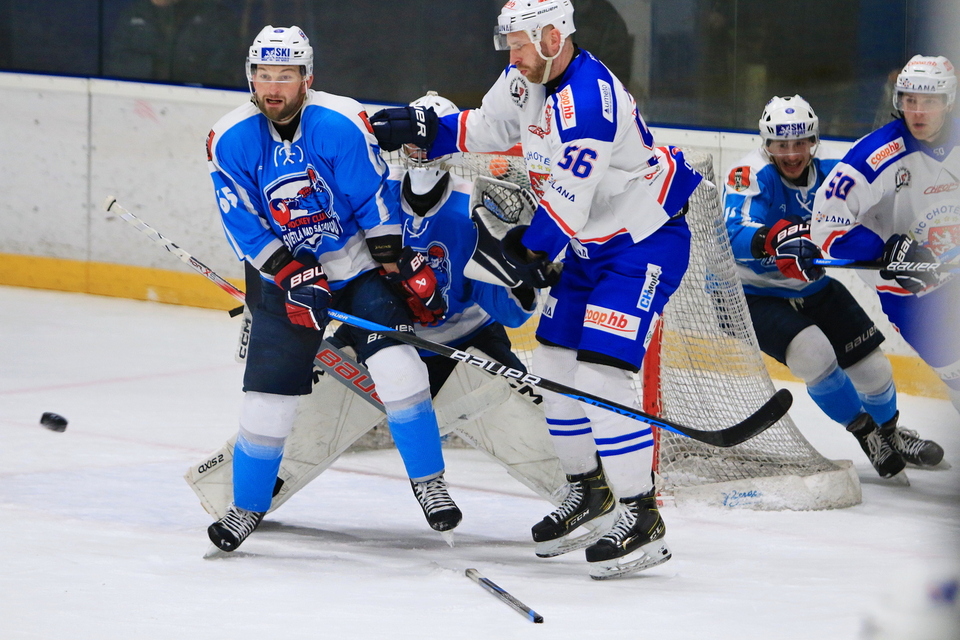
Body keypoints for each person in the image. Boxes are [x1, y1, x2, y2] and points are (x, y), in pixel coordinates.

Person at [370, 0, 702, 579]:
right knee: (552, 365)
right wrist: (427, 130)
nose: (513, 55)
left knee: (600, 373)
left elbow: (566, 206)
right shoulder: (525, 78)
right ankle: (589, 490)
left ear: (554, 36)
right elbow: (484, 127)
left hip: (642, 244)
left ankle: (641, 513)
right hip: (590, 244)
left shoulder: (590, 102)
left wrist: (525, 254)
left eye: (521, 43)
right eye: (510, 44)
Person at [204, 25, 460, 553]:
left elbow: (373, 203)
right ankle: (246, 506)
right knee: (266, 398)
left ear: (307, 78)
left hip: (358, 269)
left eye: (285, 76)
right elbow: (243, 224)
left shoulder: (341, 122)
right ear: (250, 78)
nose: (273, 87)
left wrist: (393, 266)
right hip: (283, 280)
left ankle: (430, 483)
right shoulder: (228, 138)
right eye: (264, 75)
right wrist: (290, 272)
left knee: (399, 366)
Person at [723, 95, 943, 480]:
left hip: (812, 288)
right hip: (752, 294)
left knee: (875, 370)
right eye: (781, 144)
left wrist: (893, 244)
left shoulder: (834, 172)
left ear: (814, 141)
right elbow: (731, 232)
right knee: (812, 354)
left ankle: (891, 434)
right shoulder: (750, 173)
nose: (792, 154)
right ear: (766, 144)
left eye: (801, 143)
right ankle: (867, 433)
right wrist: (773, 238)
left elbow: (869, 216)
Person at [331, 92, 537, 396]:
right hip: (385, 330)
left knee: (531, 413)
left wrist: (519, 273)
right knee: (308, 387)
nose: (422, 150)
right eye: (414, 139)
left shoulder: (476, 208)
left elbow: (512, 313)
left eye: (432, 139)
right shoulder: (376, 193)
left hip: (467, 337)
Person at [811, 55, 960, 419]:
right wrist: (886, 252)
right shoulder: (874, 155)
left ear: (948, 102)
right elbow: (825, 224)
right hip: (910, 292)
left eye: (929, 101)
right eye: (910, 100)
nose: (917, 112)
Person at [105, 0, 244, 87]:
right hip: (139, 102)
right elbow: (115, 63)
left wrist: (181, 72)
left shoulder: (215, 16)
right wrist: (155, 67)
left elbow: (225, 71)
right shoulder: (133, 13)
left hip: (197, 102)